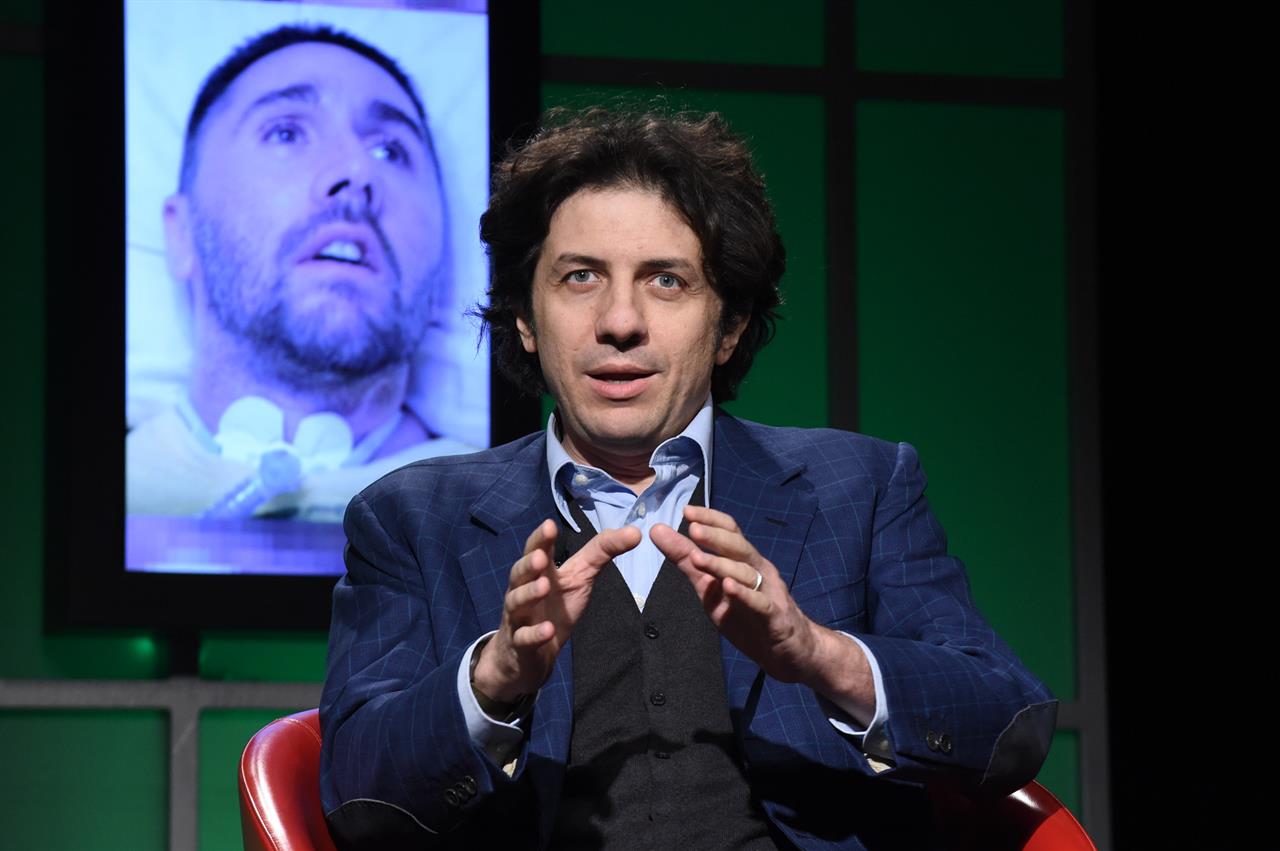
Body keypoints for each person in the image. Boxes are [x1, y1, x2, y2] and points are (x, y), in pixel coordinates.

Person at [320, 107, 1057, 850]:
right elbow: (356, 797)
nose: (620, 321)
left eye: (666, 280)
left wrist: (818, 653)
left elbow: (1010, 726)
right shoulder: (411, 517)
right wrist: (495, 678)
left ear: (729, 325)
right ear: (525, 319)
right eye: (581, 277)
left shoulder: (861, 488)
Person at [126, 24, 474, 523]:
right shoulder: (103, 492)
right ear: (181, 233)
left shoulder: (506, 522)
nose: (355, 171)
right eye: (286, 132)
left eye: (390, 150)